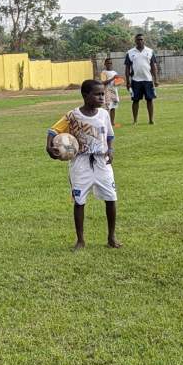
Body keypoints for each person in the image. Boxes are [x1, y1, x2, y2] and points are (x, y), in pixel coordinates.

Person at [47, 79, 121, 250]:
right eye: (97, 94)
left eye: (103, 94)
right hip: (80, 163)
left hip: (102, 162)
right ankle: (80, 240)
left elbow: (110, 135)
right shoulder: (73, 115)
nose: (102, 97)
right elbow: (52, 130)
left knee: (111, 198)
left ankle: (111, 236)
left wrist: (110, 150)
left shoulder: (103, 114)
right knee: (79, 201)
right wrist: (49, 147)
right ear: (85, 95)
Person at [124, 33, 160, 124]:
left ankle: (151, 120)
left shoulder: (150, 51)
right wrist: (127, 82)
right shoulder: (130, 52)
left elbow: (153, 66)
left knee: (149, 99)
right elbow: (127, 68)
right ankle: (135, 120)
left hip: (148, 80)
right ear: (135, 41)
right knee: (135, 101)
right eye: (138, 39)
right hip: (135, 81)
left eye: (141, 39)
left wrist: (156, 79)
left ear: (144, 40)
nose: (140, 41)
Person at [99, 57, 121, 128]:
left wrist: (118, 81)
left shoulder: (115, 72)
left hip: (114, 92)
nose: (109, 64)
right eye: (108, 63)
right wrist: (113, 78)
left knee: (113, 107)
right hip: (107, 92)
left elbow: (117, 83)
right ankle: (106, 123)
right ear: (105, 64)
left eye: (110, 63)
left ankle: (112, 123)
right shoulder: (103, 72)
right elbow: (103, 83)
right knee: (107, 108)